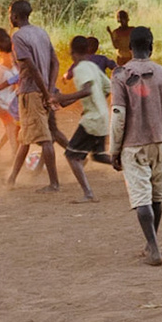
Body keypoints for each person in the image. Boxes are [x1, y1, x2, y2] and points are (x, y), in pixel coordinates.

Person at [111, 27, 162, 264]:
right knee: (157, 197)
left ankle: (153, 248)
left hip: (133, 145)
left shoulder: (120, 75)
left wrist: (114, 150)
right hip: (159, 142)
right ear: (152, 46)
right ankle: (150, 243)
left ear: (129, 49)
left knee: (141, 198)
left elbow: (118, 115)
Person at [6, 0, 73, 193]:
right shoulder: (41, 32)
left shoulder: (18, 37)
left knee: (45, 139)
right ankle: (11, 179)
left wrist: (45, 92)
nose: (9, 17)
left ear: (16, 16)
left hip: (31, 92)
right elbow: (55, 61)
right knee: (25, 137)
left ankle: (54, 184)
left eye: (10, 14)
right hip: (42, 91)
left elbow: (31, 67)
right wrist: (51, 88)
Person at [51, 34, 112, 200]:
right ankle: (131, 166)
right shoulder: (93, 66)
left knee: (71, 155)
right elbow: (107, 87)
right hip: (101, 116)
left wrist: (61, 98)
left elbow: (87, 90)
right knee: (99, 155)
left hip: (92, 119)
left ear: (72, 53)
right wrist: (97, 103)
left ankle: (88, 193)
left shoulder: (81, 68)